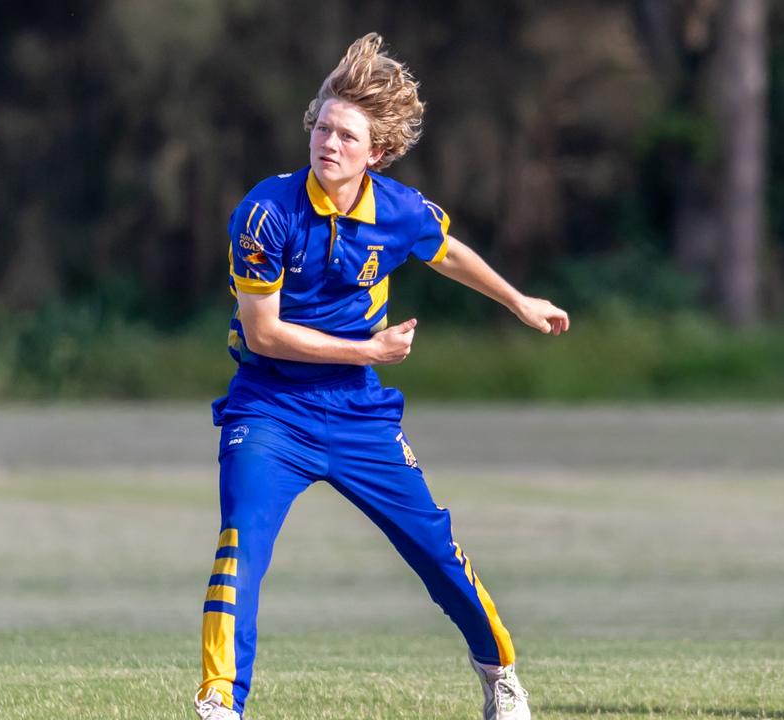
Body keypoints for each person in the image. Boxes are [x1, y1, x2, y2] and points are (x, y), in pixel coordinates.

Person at [194, 32, 569, 720]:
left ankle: (501, 673)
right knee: (239, 538)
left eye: (346, 135)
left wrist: (518, 300)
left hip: (357, 415)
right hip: (269, 409)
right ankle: (220, 702)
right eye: (323, 127)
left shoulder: (396, 209)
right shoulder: (265, 212)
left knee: (433, 546)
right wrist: (367, 350)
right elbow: (263, 332)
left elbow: (445, 250)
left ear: (378, 153)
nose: (328, 143)